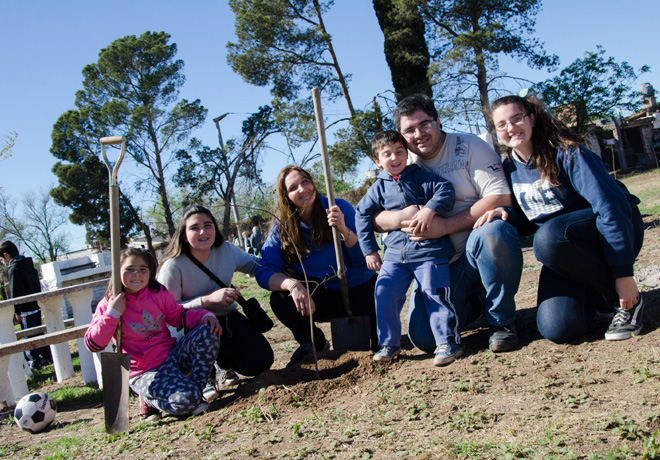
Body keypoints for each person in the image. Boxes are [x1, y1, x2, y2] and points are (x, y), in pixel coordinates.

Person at [476, 94, 644, 343]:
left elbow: (612, 208)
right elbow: (532, 218)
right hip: (565, 250)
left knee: (548, 238)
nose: (511, 128)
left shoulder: (568, 153)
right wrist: (507, 215)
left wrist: (623, 274)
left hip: (612, 231)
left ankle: (627, 303)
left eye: (517, 118)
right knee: (557, 328)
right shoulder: (509, 168)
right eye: (502, 124)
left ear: (531, 119)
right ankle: (598, 297)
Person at [373, 93, 523, 353]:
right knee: (424, 338)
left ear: (438, 122)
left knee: (495, 232)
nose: (418, 134)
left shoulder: (469, 146)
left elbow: (500, 196)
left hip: (475, 250)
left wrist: (444, 226)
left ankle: (502, 322)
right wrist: (399, 217)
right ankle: (477, 302)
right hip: (436, 265)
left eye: (424, 124)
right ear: (400, 135)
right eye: (409, 130)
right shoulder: (400, 162)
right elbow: (373, 216)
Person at [356, 130, 461, 366]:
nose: (394, 158)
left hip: (428, 252)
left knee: (434, 293)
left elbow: (446, 190)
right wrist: (369, 250)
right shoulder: (378, 188)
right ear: (377, 161)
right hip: (394, 256)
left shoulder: (420, 176)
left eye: (399, 152)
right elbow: (362, 214)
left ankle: (448, 342)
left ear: (407, 154)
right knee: (384, 293)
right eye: (387, 154)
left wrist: (429, 209)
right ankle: (389, 344)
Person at [255, 165, 378, 366]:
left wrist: (343, 229)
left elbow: (362, 262)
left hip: (359, 288)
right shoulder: (282, 228)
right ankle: (313, 342)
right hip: (321, 296)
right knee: (280, 298)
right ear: (285, 196)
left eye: (305, 181)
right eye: (293, 187)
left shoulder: (339, 208)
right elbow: (263, 271)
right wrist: (292, 284)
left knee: (378, 343)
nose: (302, 189)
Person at [84, 248, 222, 421]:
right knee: (187, 401)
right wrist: (112, 314)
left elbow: (178, 317)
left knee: (209, 330)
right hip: (143, 371)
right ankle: (149, 399)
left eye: (143, 269)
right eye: (129, 269)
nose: (137, 274)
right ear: (118, 272)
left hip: (171, 356)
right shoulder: (109, 304)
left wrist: (205, 315)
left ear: (150, 273)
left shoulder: (157, 293)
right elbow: (93, 344)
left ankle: (194, 391)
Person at [157, 205, 273, 398]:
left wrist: (283, 263)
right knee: (206, 325)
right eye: (194, 228)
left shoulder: (226, 250)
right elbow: (168, 311)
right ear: (184, 235)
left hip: (227, 317)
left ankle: (223, 363)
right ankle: (203, 377)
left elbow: (255, 265)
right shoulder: (173, 266)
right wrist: (207, 300)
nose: (203, 232)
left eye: (208, 225)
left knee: (261, 361)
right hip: (193, 326)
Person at [0, 240, 52, 368]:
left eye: (1, 259)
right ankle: (46, 356)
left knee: (27, 336)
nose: (2, 262)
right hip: (35, 305)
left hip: (25, 308)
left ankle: (33, 361)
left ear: (6, 255)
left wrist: (16, 311)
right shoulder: (29, 264)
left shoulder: (14, 268)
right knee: (38, 333)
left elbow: (15, 292)